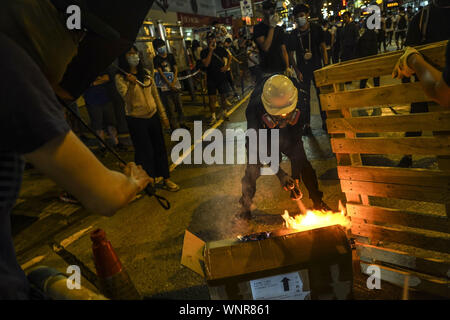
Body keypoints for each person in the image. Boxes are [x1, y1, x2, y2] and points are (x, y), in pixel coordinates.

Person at [0, 0, 152, 299]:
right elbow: (105, 195)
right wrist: (133, 180)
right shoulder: (10, 66)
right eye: (76, 32)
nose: (77, 43)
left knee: (44, 277)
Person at [238, 75, 330, 220]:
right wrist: (281, 175)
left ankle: (318, 202)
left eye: (287, 114)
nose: (283, 119)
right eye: (278, 116)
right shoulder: (254, 109)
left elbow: (297, 144)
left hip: (289, 135)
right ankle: (245, 206)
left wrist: (295, 177)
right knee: (252, 170)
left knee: (305, 165)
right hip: (262, 137)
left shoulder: (301, 102)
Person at [115, 46, 180, 192]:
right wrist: (131, 85)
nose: (133, 56)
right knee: (144, 152)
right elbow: (128, 101)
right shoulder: (120, 78)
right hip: (136, 119)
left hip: (153, 115)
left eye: (135, 52)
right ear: (123, 57)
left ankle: (166, 178)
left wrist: (163, 116)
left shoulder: (146, 74)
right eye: (129, 53)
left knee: (160, 149)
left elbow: (155, 96)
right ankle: (147, 183)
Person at [397, 0, 450, 167]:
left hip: (434, 83)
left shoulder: (421, 17)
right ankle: (408, 153)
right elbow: (408, 49)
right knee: (417, 120)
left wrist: (413, 60)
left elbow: (409, 54)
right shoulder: (422, 17)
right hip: (425, 84)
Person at [288, 3, 329, 134]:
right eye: (297, 16)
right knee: (304, 99)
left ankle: (325, 121)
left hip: (317, 67)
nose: (300, 18)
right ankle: (306, 124)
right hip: (302, 70)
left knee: (322, 95)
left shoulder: (316, 29)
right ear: (294, 19)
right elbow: (290, 55)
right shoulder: (293, 34)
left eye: (302, 15)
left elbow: (323, 48)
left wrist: (326, 67)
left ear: (307, 15)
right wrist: (297, 71)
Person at [83, 72, 126, 154]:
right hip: (92, 101)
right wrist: (98, 80)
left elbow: (107, 78)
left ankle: (115, 143)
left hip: (105, 99)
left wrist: (94, 82)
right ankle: (103, 146)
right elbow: (86, 83)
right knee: (98, 126)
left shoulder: (99, 67)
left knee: (111, 123)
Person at [152, 38, 187, 131]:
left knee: (179, 105)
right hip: (164, 86)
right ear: (156, 49)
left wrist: (174, 81)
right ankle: (174, 127)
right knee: (169, 108)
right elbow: (160, 72)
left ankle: (182, 123)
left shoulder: (170, 56)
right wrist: (169, 84)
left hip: (174, 83)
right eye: (159, 47)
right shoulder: (156, 59)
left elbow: (175, 68)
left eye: (162, 46)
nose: (161, 48)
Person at [253, 0, 291, 77]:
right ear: (263, 11)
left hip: (281, 68)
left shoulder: (279, 29)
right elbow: (265, 47)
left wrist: (287, 67)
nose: (271, 11)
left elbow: (283, 50)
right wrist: (272, 27)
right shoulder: (258, 28)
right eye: (268, 9)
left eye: (273, 9)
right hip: (267, 70)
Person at [200, 32, 231, 125]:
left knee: (223, 97)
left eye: (213, 39)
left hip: (221, 77)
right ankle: (213, 116)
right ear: (207, 41)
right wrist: (210, 51)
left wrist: (227, 66)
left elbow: (230, 56)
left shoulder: (221, 49)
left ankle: (224, 112)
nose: (211, 40)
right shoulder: (204, 52)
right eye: (209, 39)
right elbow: (206, 64)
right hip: (211, 78)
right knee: (212, 98)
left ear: (215, 39)